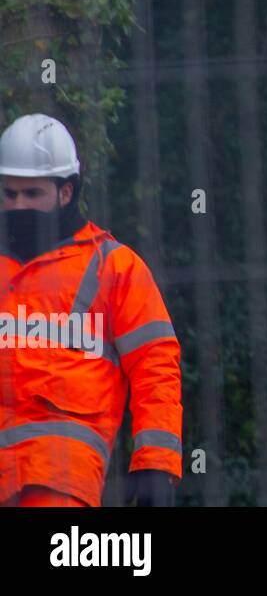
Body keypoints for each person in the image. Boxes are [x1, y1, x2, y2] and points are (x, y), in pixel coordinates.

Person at [0, 114, 181, 507]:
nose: (17, 205)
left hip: (58, 479)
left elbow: (156, 366)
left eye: (31, 194)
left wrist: (157, 464)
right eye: (9, 193)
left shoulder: (113, 268)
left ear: (67, 192)